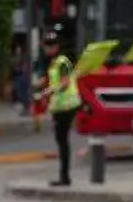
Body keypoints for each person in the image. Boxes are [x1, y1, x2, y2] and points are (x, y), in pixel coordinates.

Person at [36, 29, 80, 187]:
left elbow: (64, 83)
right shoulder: (55, 62)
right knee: (61, 141)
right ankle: (64, 176)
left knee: (62, 141)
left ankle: (65, 176)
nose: (47, 49)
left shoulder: (62, 62)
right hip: (61, 106)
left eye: (50, 45)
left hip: (66, 106)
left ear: (56, 46)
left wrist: (47, 91)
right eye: (46, 45)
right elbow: (53, 80)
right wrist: (42, 83)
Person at [9, 36, 31, 115]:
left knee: (24, 93)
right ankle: (25, 108)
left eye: (19, 49)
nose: (18, 50)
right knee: (19, 92)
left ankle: (27, 108)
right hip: (17, 77)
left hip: (23, 76)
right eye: (17, 49)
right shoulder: (13, 58)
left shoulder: (23, 57)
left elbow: (25, 66)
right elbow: (12, 66)